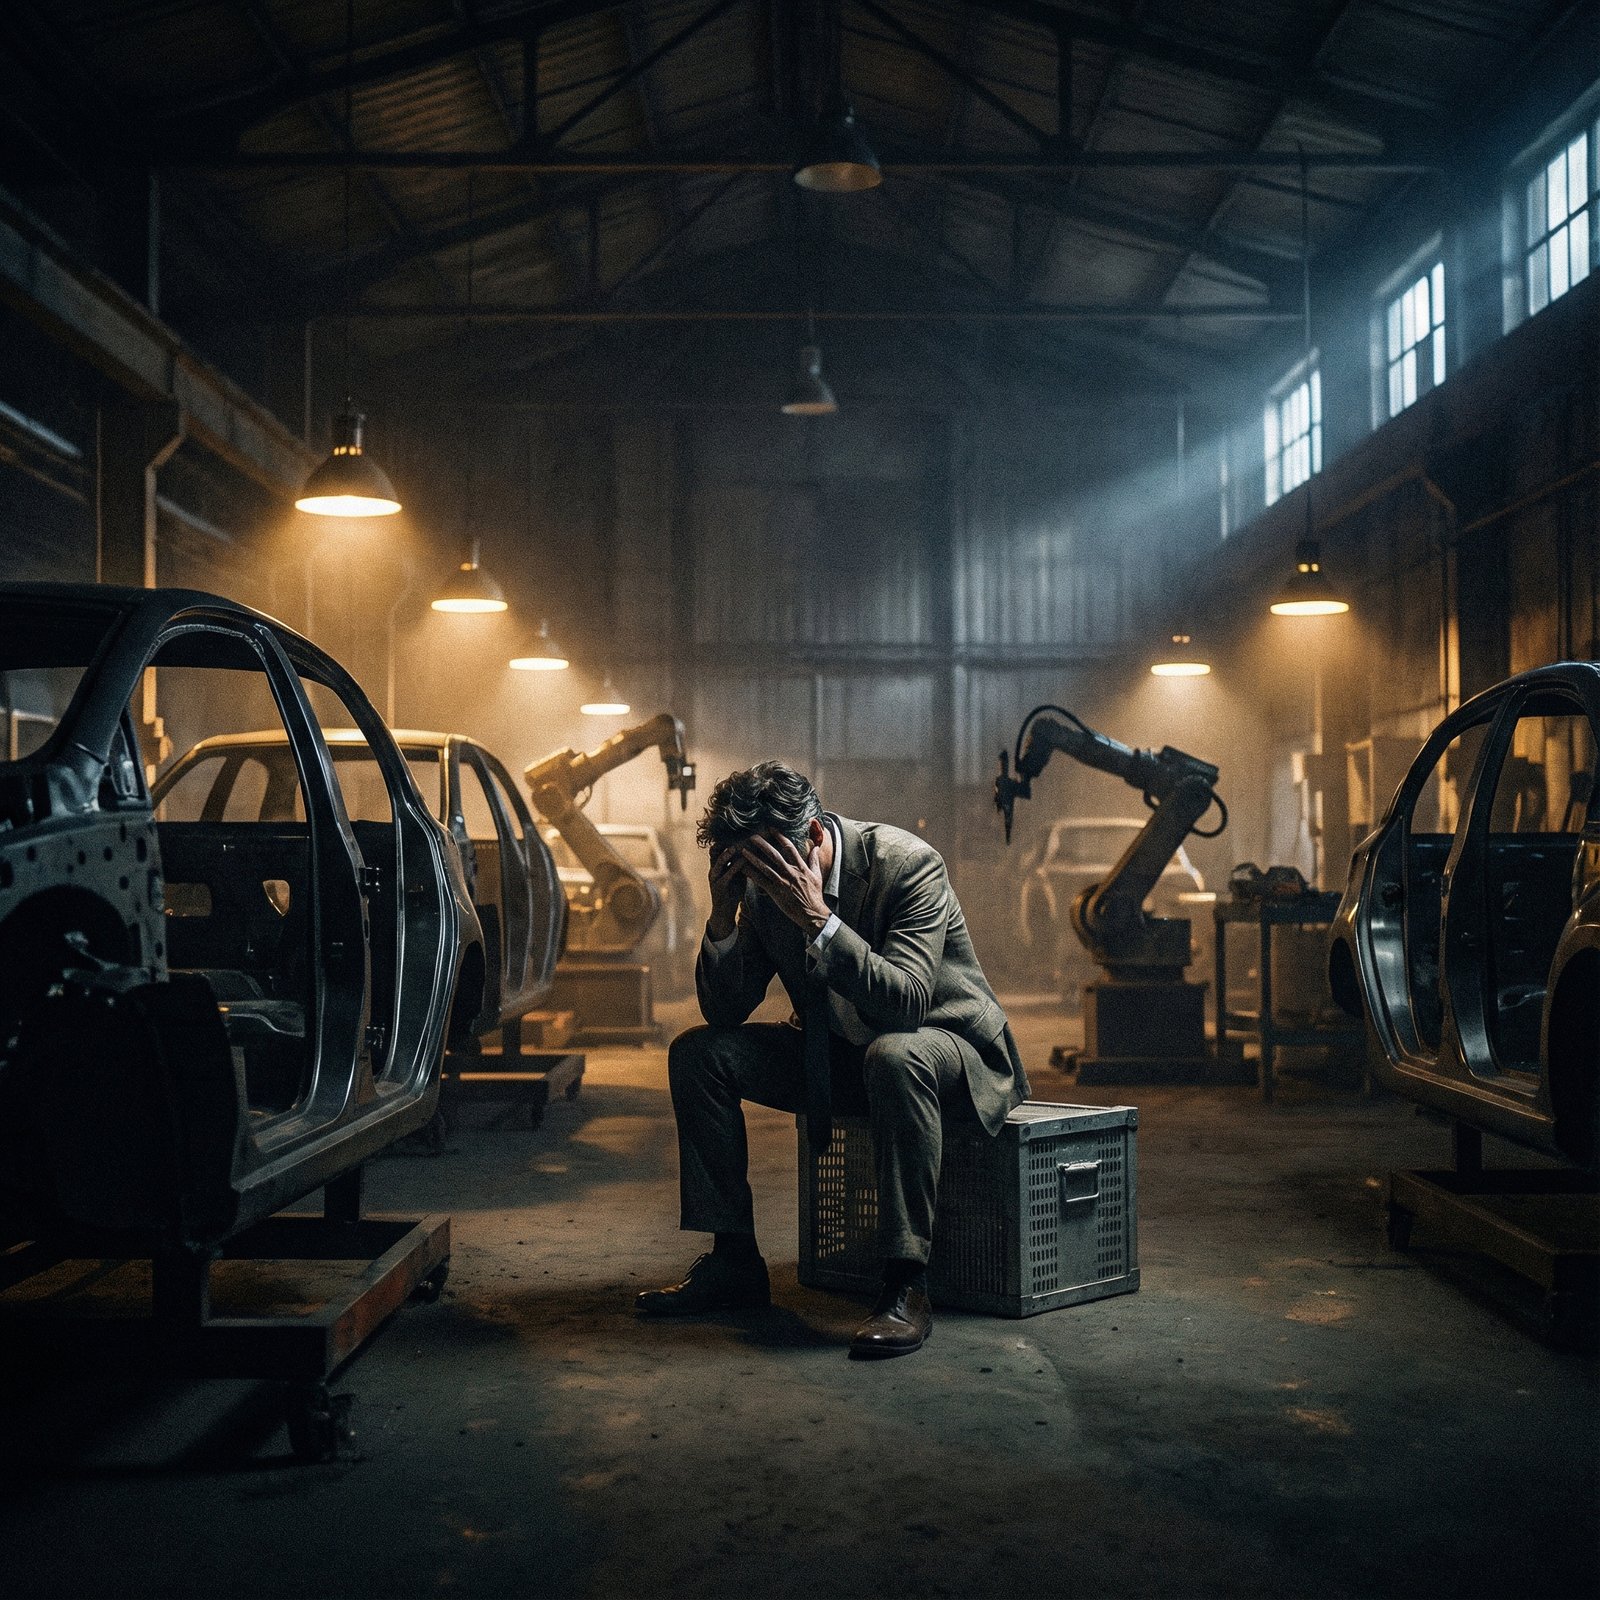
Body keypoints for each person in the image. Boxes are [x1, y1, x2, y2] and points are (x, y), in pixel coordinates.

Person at [637, 761, 1028, 1358]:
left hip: (947, 1048)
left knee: (896, 1056)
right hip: (843, 1055)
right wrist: (721, 919)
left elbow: (907, 1003)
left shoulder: (906, 863)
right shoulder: (766, 889)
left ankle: (905, 1285)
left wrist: (818, 920)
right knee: (699, 1054)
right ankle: (734, 1260)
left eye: (771, 862)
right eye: (748, 866)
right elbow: (724, 1013)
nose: (764, 880)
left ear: (816, 835)